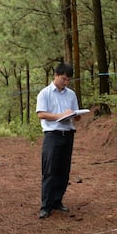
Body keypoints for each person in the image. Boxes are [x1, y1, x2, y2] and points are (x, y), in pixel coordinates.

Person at [36, 63, 81, 219]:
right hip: (52, 135)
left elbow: (76, 114)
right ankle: (45, 206)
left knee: (64, 170)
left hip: (68, 135)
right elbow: (41, 114)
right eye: (63, 79)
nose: (66, 82)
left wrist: (75, 115)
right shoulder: (45, 93)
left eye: (68, 80)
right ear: (55, 75)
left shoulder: (71, 94)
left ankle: (57, 201)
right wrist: (59, 115)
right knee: (50, 170)